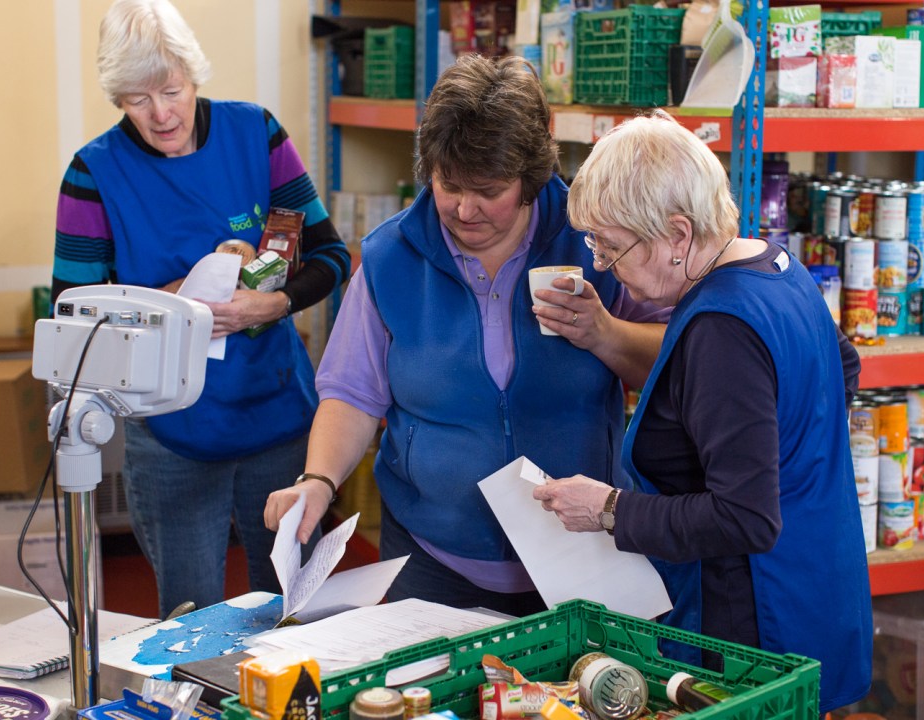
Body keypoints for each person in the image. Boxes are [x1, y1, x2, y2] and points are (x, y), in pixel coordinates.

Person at [263, 54, 667, 617]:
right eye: (448, 184)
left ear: (531, 178)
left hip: (582, 550)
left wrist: (604, 333)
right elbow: (353, 393)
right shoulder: (390, 256)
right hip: (432, 559)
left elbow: (672, 366)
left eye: (489, 189)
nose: (463, 208)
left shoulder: (593, 239)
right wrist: (318, 481)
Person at [532, 112, 871, 714]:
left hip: (755, 628)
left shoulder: (722, 328)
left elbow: (745, 520)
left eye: (612, 247)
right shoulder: (775, 267)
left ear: (679, 234)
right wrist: (793, 470)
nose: (604, 265)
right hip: (816, 582)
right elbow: (840, 367)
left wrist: (610, 510)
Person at [51, 0, 350, 618]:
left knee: (295, 614)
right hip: (171, 437)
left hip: (278, 422)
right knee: (190, 626)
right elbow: (73, 320)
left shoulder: (255, 133)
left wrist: (270, 303)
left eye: (172, 90)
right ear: (116, 99)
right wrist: (170, 304)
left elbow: (331, 256)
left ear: (194, 75)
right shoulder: (93, 172)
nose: (161, 114)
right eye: (137, 99)